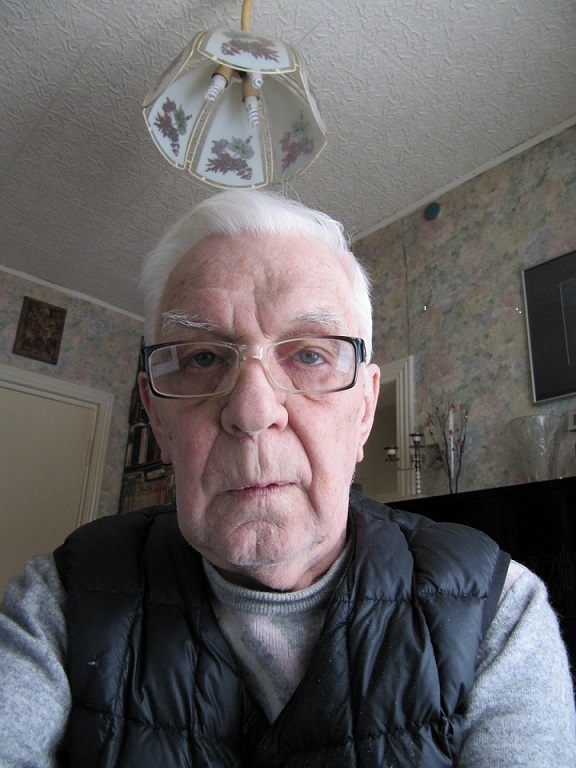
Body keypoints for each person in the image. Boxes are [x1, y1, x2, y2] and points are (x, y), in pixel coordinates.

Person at [0, 189, 574, 767]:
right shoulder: (60, 603)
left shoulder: (496, 613)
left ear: (365, 411)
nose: (252, 412)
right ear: (157, 418)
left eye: (309, 356)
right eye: (202, 358)